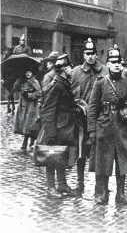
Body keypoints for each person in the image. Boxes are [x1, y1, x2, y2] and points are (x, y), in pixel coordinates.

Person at [87, 48, 127, 205]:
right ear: (108, 64)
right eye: (113, 62)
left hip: (122, 126)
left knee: (122, 161)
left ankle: (121, 193)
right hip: (104, 125)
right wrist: (92, 129)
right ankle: (103, 193)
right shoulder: (100, 83)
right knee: (103, 160)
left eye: (119, 62)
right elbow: (92, 108)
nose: (116, 65)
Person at [70, 38, 109, 195]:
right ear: (83, 55)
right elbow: (70, 93)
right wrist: (78, 103)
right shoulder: (76, 72)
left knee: (100, 152)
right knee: (81, 153)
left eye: (93, 53)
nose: (91, 57)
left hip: (101, 118)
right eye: (88, 53)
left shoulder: (105, 71)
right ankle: (80, 184)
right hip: (81, 119)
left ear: (97, 54)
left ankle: (99, 187)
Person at [40, 54, 78, 199]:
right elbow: (47, 110)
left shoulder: (64, 83)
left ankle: (62, 185)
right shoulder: (56, 86)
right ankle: (50, 187)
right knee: (51, 157)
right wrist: (50, 133)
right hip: (54, 129)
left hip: (63, 128)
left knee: (61, 156)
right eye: (70, 67)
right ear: (63, 69)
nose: (72, 69)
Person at [12, 68, 42, 149]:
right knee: (25, 124)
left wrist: (29, 95)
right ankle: (31, 139)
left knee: (29, 124)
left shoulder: (35, 82)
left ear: (32, 73)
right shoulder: (23, 81)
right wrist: (18, 80)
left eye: (29, 72)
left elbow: (39, 93)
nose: (28, 74)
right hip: (24, 106)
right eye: (26, 72)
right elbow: (16, 89)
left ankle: (26, 142)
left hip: (32, 106)